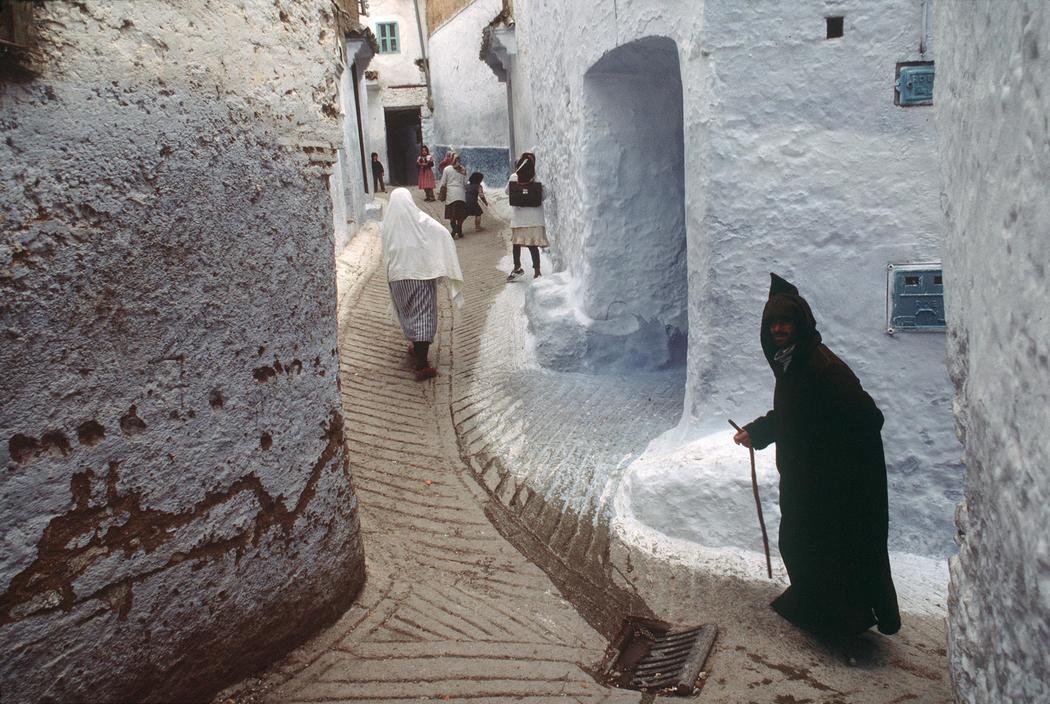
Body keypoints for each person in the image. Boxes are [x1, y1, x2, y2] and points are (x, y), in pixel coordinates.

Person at [733, 273, 901, 637]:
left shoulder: (825, 368)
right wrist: (758, 431)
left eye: (786, 322)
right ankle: (817, 606)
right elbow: (794, 414)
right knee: (799, 543)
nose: (779, 328)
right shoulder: (791, 363)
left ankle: (840, 621)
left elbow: (868, 418)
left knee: (824, 547)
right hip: (802, 479)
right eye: (773, 322)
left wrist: (830, 462)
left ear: (800, 325)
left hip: (826, 484)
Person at [380, 188, 464, 381]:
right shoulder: (421, 220)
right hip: (420, 276)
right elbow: (443, 233)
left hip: (398, 277)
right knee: (423, 315)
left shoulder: (387, 225)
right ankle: (422, 364)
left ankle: (417, 348)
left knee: (408, 313)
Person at [506, 151, 549, 281]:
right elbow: (545, 195)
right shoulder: (537, 179)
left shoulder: (514, 177)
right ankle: (537, 271)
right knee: (532, 245)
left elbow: (507, 192)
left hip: (519, 219)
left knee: (516, 245)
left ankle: (517, 267)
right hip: (534, 220)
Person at [437, 152, 468, 239]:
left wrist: (440, 192)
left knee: (452, 215)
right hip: (461, 194)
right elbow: (465, 183)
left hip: (451, 195)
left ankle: (454, 230)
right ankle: (459, 231)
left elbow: (443, 182)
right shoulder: (463, 170)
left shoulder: (447, 169)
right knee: (461, 215)